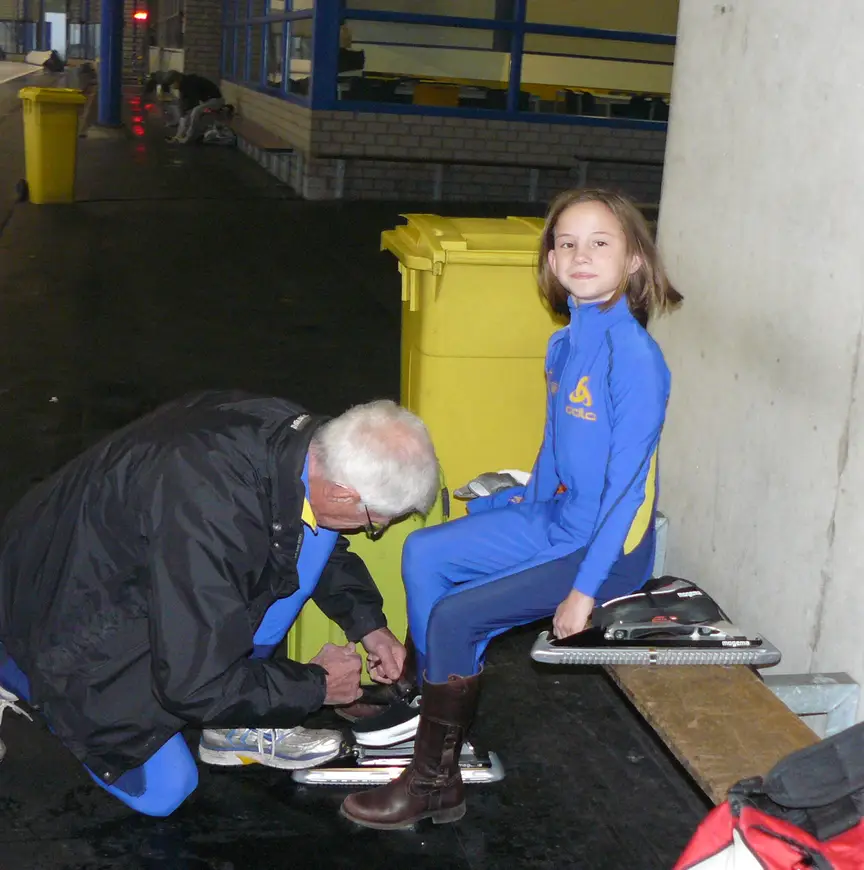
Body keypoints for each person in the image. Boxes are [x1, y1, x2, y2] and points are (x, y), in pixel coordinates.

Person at [340, 188, 684, 830]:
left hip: (606, 552)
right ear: (551, 262)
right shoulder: (565, 345)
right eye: (566, 243)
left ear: (634, 259)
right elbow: (555, 448)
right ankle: (425, 701)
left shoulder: (635, 359)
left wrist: (584, 592)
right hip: (559, 518)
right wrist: (515, 500)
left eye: (600, 242)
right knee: (424, 550)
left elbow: (629, 488)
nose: (581, 255)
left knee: (455, 615)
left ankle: (434, 780)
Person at [0, 391, 439, 817]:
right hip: (59, 620)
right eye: (374, 523)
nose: (369, 530)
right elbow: (191, 686)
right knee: (165, 791)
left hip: (104, 562)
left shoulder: (301, 445)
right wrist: (315, 686)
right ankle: (18, 673)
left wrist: (368, 624)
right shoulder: (209, 516)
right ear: (344, 493)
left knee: (316, 537)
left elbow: (304, 537)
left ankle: (237, 721)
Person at [155, 71, 224, 145]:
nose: (172, 87)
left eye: (172, 84)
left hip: (216, 101)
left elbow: (192, 104)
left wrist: (185, 118)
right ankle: (179, 136)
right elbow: (182, 105)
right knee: (185, 114)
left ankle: (189, 137)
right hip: (207, 101)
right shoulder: (183, 84)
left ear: (177, 80)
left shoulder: (190, 83)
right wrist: (179, 132)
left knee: (195, 111)